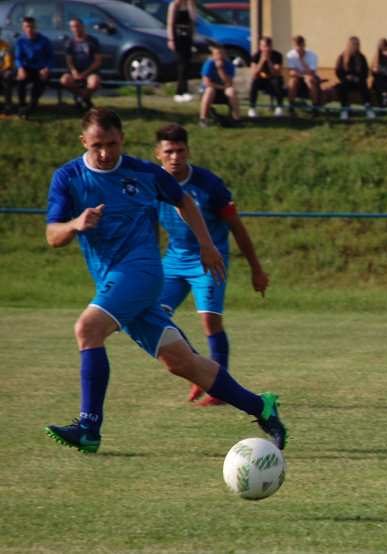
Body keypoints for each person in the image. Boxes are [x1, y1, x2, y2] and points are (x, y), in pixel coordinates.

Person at [43, 109, 286, 453]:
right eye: (97, 145)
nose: (105, 153)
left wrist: (205, 244)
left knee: (88, 329)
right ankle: (261, 406)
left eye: (112, 144)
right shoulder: (68, 177)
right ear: (84, 141)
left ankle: (89, 427)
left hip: (142, 271)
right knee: (182, 362)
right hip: (111, 278)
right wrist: (74, 224)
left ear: (122, 139)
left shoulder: (144, 172)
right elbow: (53, 235)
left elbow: (184, 200)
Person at [154, 123, 269, 406]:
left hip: (209, 259)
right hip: (174, 259)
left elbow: (238, 228)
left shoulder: (209, 185)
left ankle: (218, 389)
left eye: (180, 151)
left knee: (209, 320)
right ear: (158, 153)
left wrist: (256, 268)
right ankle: (200, 373)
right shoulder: (151, 182)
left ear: (188, 151)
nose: (175, 157)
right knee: (154, 315)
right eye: (169, 151)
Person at [60, 18, 103, 112]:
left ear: (83, 26)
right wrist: (74, 71)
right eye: (73, 27)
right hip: (76, 71)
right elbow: (69, 61)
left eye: (77, 26)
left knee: (94, 82)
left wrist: (85, 73)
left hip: (90, 71)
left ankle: (81, 99)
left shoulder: (92, 41)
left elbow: (97, 61)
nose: (75, 29)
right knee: (64, 80)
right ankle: (85, 99)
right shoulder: (70, 43)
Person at [14, 17, 51, 119]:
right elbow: (18, 58)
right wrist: (20, 68)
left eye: (31, 26)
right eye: (27, 27)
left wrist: (47, 68)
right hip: (27, 69)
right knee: (20, 79)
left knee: (39, 85)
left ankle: (29, 108)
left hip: (40, 70)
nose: (29, 29)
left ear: (35, 27)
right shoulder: (20, 41)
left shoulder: (44, 40)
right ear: (23, 28)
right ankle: (22, 105)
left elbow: (50, 57)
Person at [199, 43, 241, 127]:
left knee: (231, 91)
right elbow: (206, 82)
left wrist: (220, 70)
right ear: (213, 56)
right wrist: (222, 87)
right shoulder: (208, 64)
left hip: (223, 90)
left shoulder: (229, 65)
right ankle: (203, 119)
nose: (220, 56)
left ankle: (236, 119)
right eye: (217, 54)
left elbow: (229, 83)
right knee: (210, 90)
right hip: (210, 90)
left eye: (222, 53)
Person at [335, 36, 374, 120]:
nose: (355, 46)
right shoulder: (342, 57)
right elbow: (338, 71)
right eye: (353, 44)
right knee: (342, 86)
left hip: (359, 82)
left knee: (364, 85)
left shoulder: (361, 57)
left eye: (357, 45)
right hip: (347, 82)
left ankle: (368, 107)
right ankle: (344, 109)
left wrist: (358, 78)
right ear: (349, 45)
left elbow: (366, 72)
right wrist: (346, 77)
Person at [248, 36, 285, 118]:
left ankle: (279, 107)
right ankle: (252, 108)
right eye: (264, 46)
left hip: (272, 78)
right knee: (254, 82)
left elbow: (276, 72)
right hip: (261, 79)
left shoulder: (277, 55)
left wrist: (268, 61)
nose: (266, 49)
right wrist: (261, 61)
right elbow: (254, 73)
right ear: (260, 47)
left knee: (277, 82)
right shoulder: (256, 56)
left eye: (268, 46)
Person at [168, 0, 196, 103]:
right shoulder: (174, 5)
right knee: (182, 64)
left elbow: (193, 21)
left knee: (188, 64)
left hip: (187, 37)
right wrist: (171, 39)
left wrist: (190, 5)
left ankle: (185, 90)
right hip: (178, 36)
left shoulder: (190, 5)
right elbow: (170, 23)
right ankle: (179, 92)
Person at [286, 35, 322, 109]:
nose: (298, 48)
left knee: (310, 80)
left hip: (310, 77)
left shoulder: (312, 55)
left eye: (300, 45)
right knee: (292, 82)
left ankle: (315, 107)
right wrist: (303, 74)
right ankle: (291, 107)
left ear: (304, 45)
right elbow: (291, 72)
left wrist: (301, 59)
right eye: (296, 45)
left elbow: (312, 72)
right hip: (298, 77)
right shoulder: (290, 55)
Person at [0, 37, 13, 114]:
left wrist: (2, 70)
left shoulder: (5, 46)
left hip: (3, 70)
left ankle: (8, 106)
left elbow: (8, 63)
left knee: (8, 75)